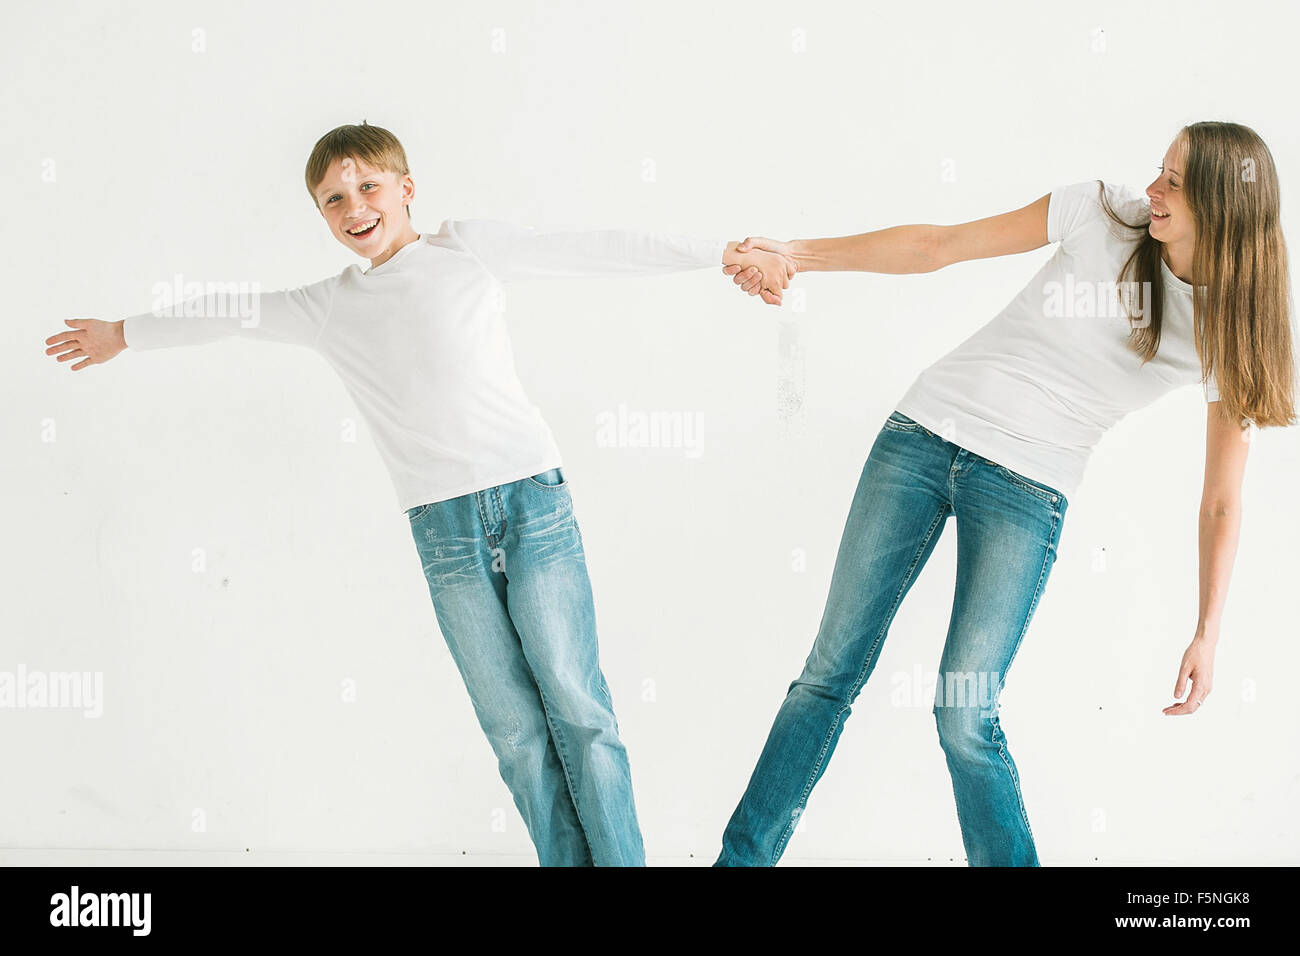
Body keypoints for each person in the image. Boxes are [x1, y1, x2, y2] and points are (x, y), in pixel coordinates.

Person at [43, 121, 792, 867]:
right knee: (516, 733)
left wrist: (714, 251)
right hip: (444, 532)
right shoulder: (327, 306)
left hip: (532, 501)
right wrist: (124, 331)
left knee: (578, 707)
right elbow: (230, 312)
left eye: (367, 186)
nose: (354, 206)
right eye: (333, 198)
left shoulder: (465, 250)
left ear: (405, 189)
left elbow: (585, 249)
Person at [715, 120, 1295, 866]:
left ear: (1223, 205)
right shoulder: (1101, 211)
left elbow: (1221, 500)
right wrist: (792, 254)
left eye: (1175, 183)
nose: (1152, 189)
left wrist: (1208, 632)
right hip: (921, 437)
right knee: (826, 677)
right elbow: (939, 246)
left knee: (965, 714)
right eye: (1160, 169)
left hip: (1029, 488)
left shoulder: (1229, 329)